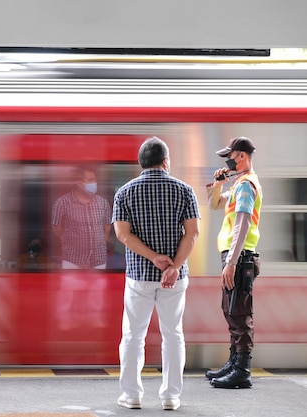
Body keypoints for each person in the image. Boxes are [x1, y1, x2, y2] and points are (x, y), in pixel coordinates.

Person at [112, 137, 200, 410]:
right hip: (175, 278)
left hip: (139, 276)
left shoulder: (124, 192)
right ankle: (171, 397)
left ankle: (132, 395)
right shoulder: (185, 190)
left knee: (133, 335)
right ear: (165, 161)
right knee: (172, 333)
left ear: (142, 163)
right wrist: (173, 266)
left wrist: (152, 257)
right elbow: (193, 233)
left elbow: (122, 235)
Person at [206, 136, 262, 389]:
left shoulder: (247, 185)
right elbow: (214, 204)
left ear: (241, 155)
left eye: (229, 155)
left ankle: (242, 370)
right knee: (230, 310)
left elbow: (242, 224)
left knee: (240, 313)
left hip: (239, 258)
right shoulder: (238, 184)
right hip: (235, 257)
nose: (227, 160)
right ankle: (233, 363)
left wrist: (231, 262)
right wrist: (218, 184)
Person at [51, 165, 113, 329]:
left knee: (96, 291)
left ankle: (93, 318)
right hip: (72, 256)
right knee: (68, 290)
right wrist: (72, 241)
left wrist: (100, 241)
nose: (94, 184)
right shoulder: (62, 203)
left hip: (98, 255)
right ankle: (65, 320)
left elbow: (107, 225)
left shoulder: (102, 203)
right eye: (90, 180)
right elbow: (56, 228)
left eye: (95, 180)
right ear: (79, 182)